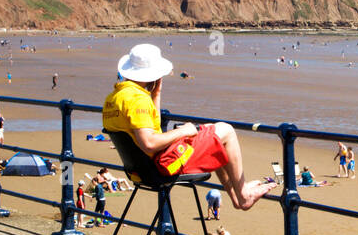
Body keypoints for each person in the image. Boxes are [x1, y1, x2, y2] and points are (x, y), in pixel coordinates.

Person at [102, 44, 276, 210]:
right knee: (226, 130)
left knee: (210, 131)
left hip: (140, 171)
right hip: (163, 168)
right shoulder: (137, 99)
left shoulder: (114, 98)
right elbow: (149, 143)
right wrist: (183, 131)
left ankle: (237, 191)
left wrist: (156, 94)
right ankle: (243, 195)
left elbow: (151, 130)